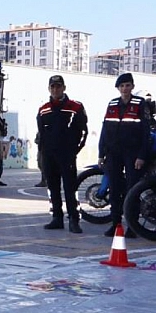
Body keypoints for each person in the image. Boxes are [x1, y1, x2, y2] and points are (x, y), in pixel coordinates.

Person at [99, 72, 150, 238]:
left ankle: (132, 227)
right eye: (121, 86)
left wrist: (141, 155)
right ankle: (115, 224)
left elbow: (145, 132)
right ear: (118, 88)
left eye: (127, 85)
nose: (124, 88)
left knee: (131, 189)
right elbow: (104, 130)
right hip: (114, 152)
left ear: (132, 86)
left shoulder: (140, 103)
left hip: (133, 153)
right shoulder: (112, 104)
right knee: (114, 189)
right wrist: (101, 153)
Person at [37, 75, 88, 234]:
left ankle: (74, 219)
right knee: (53, 188)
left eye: (58, 86)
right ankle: (57, 218)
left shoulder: (75, 107)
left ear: (64, 88)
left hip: (67, 156)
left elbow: (83, 131)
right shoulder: (43, 109)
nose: (55, 89)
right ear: (49, 89)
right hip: (49, 156)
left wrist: (74, 151)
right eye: (52, 87)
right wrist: (43, 154)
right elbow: (41, 134)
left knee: (70, 189)